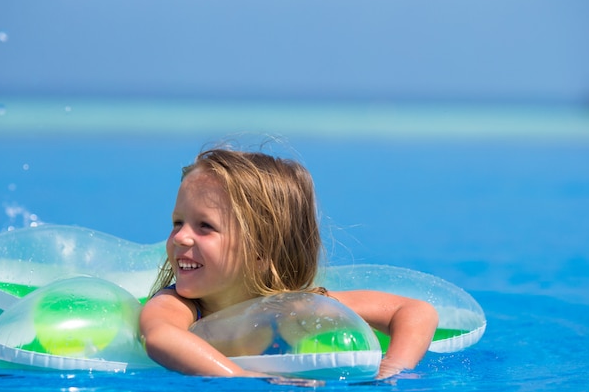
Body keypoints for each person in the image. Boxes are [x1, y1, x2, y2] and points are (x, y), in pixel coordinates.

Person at [139, 147, 438, 379]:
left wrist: (392, 369)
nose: (180, 237)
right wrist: (240, 378)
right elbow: (161, 336)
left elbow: (416, 311)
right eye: (178, 223)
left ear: (260, 251)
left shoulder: (295, 308)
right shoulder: (178, 304)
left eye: (205, 226)